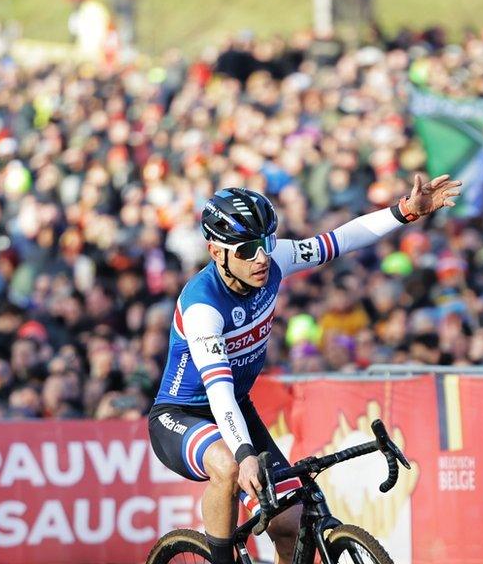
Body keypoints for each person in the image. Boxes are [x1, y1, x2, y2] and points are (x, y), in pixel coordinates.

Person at [148, 175, 460, 564]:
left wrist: (405, 212)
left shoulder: (274, 259)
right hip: (183, 414)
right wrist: (245, 453)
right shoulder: (203, 307)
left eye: (266, 243)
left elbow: (339, 240)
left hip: (235, 408)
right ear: (216, 252)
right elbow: (219, 391)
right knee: (228, 467)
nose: (260, 258)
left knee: (290, 525)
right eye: (246, 250)